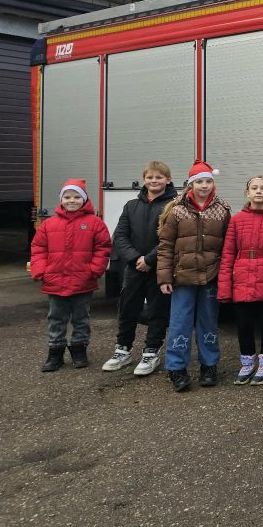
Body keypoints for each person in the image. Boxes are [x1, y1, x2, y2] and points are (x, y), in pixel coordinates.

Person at [156, 160, 231, 392]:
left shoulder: (223, 209)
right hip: (182, 278)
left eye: (208, 181)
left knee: (208, 322)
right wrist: (164, 277)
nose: (204, 186)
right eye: (199, 182)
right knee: (180, 323)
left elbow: (228, 245)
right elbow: (165, 245)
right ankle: (177, 368)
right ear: (190, 184)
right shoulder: (176, 210)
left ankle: (209, 366)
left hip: (211, 276)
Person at [102, 161, 178, 376]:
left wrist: (150, 260)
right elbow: (120, 236)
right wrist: (136, 259)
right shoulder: (131, 206)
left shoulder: (174, 206)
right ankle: (122, 350)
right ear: (144, 179)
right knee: (128, 309)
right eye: (150, 177)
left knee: (157, 310)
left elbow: (171, 238)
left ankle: (151, 351)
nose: (154, 181)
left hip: (160, 267)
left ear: (168, 180)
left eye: (159, 177)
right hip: (134, 268)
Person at [30, 179, 112, 372]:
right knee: (56, 318)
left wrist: (93, 271)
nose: (72, 200)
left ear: (84, 199)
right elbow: (38, 248)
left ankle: (79, 349)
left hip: (83, 281)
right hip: (55, 280)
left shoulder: (95, 223)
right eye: (67, 197)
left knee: (81, 318)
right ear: (61, 199)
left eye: (77, 197)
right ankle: (55, 352)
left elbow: (103, 248)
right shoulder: (49, 224)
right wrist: (40, 270)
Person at [218, 174, 263, 386]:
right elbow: (228, 253)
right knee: (244, 324)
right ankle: (247, 362)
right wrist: (224, 287)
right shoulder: (237, 220)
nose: (258, 191)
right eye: (254, 188)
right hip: (242, 278)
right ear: (247, 193)